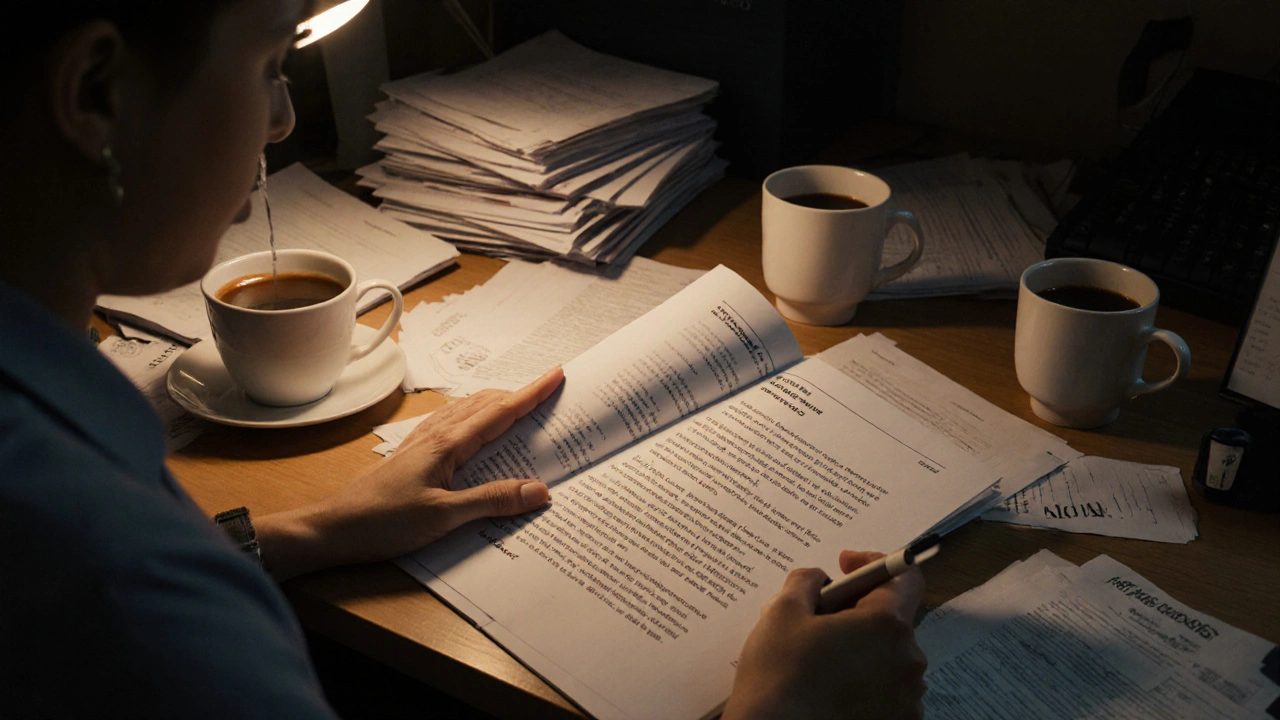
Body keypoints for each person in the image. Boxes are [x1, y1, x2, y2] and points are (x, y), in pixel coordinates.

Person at [0, 1, 928, 718]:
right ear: (96, 95)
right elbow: (121, 596)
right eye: (269, 63)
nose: (283, 120)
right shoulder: (116, 582)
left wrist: (311, 533)